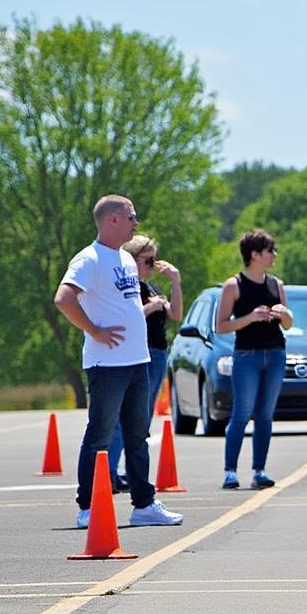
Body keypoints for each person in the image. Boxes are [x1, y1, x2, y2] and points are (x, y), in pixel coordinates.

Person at [53, 195, 183, 529]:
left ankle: (144, 504)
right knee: (100, 434)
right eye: (131, 216)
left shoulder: (125, 259)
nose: (135, 222)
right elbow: (64, 298)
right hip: (107, 365)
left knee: (138, 435)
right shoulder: (89, 259)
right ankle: (88, 507)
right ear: (112, 219)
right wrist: (93, 329)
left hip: (137, 361)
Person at [216, 229, 293, 490]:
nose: (274, 255)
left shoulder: (276, 285)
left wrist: (283, 315)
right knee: (241, 413)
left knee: (265, 415)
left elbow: (289, 325)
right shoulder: (233, 285)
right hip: (246, 355)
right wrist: (251, 317)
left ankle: (260, 470)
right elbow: (221, 326)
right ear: (255, 254)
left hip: (275, 353)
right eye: (270, 250)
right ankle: (230, 471)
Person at [106, 235, 183, 491]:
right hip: (138, 353)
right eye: (148, 260)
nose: (152, 265)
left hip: (157, 353)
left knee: (143, 417)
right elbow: (126, 317)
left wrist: (175, 281)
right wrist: (150, 308)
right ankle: (109, 473)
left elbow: (176, 314)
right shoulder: (127, 287)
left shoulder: (151, 288)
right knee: (122, 418)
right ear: (132, 258)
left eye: (154, 260)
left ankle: (131, 473)